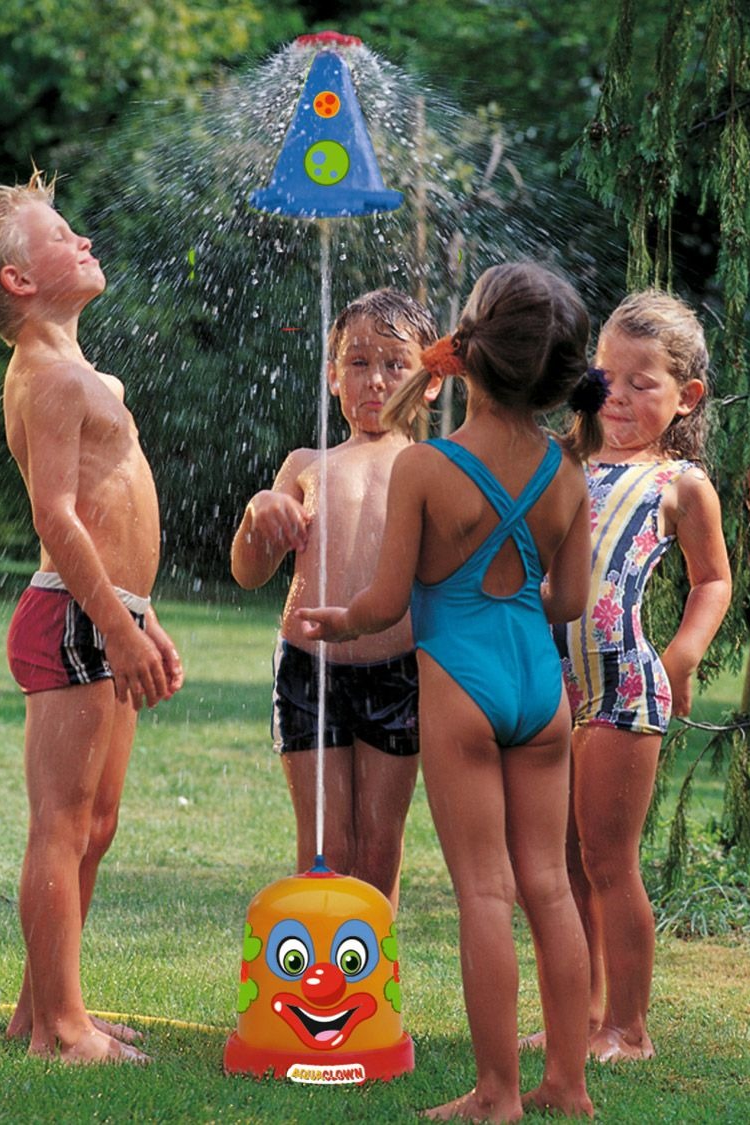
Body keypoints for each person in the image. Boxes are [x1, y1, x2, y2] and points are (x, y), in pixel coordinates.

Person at [299, 262, 606, 1122]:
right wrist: (513, 596)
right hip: (539, 689)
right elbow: (569, 601)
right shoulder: (567, 469)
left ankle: (498, 1093)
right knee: (550, 885)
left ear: (464, 355)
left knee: (485, 891)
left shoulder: (427, 467)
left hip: (460, 687)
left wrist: (341, 622)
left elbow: (386, 601)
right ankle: (568, 1085)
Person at [0, 171, 183, 1065]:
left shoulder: (85, 374)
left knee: (97, 823)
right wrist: (115, 624)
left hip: (110, 613)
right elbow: (58, 518)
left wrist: (143, 617)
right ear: (19, 279)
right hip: (76, 617)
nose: (83, 240)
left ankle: (41, 1005)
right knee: (62, 824)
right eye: (61, 234)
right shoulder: (45, 377)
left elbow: (116, 518)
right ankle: (61, 1031)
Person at [550, 289, 733, 1062]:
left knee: (607, 859)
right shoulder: (564, 461)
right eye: (606, 376)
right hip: (552, 684)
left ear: (686, 395)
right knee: (562, 859)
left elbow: (712, 580)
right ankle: (582, 1014)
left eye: (640, 382)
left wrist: (680, 657)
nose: (617, 395)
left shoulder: (679, 483)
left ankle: (629, 1026)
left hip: (623, 683)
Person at [231, 289, 439, 908]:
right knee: (324, 847)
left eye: (395, 364)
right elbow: (249, 573)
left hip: (397, 672)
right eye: (358, 362)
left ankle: (371, 965)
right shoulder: (306, 464)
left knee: (379, 846)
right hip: (307, 670)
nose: (375, 380)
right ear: (332, 376)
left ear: (430, 382)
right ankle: (319, 961)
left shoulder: (432, 467)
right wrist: (259, 513)